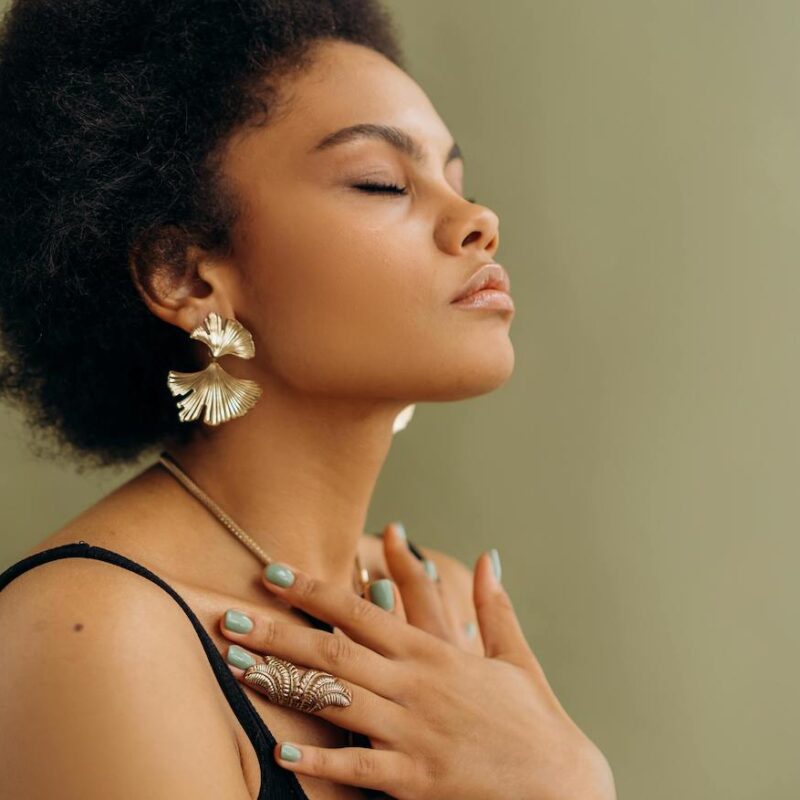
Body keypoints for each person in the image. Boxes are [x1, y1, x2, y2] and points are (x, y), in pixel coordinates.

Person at [0, 1, 616, 798]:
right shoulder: (92, 633)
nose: (477, 222)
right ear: (184, 276)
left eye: (455, 179)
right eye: (381, 182)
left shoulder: (449, 609)